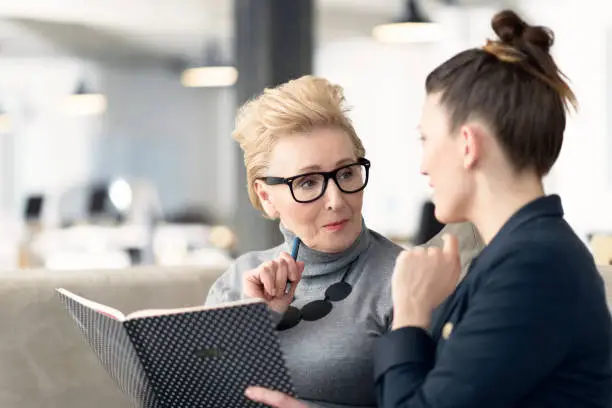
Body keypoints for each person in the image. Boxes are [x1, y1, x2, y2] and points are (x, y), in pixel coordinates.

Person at [245, 9, 612, 408]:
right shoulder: (519, 258)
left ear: (467, 145)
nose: (422, 165)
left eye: (426, 139)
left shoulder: (532, 268)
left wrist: (410, 312)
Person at [204, 75, 484, 408]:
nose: (337, 199)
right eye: (308, 183)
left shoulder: (409, 281)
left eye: (346, 173)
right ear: (266, 197)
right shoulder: (238, 281)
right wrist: (255, 323)